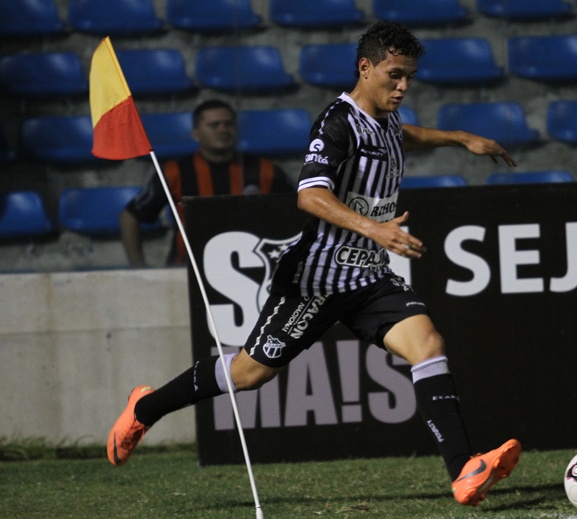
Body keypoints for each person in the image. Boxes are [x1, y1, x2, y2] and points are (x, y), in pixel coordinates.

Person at [108, 22, 520, 507]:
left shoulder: (387, 119)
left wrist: (460, 138)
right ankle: (146, 407)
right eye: (394, 75)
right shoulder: (336, 122)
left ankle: (464, 471)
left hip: (368, 276)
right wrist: (375, 229)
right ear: (364, 68)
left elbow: (403, 136)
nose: (403, 86)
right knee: (250, 374)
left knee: (428, 345)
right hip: (316, 280)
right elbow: (310, 195)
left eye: (409, 76)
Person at [120, 99, 294, 267]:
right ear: (195, 134)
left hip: (252, 266)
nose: (222, 130)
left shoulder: (265, 170)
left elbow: (297, 211)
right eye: (214, 125)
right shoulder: (175, 172)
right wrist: (138, 267)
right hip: (188, 269)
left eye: (228, 124)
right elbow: (130, 216)